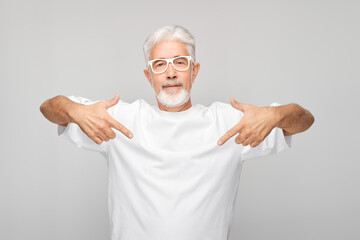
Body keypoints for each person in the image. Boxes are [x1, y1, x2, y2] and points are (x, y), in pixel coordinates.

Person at [40, 25, 314, 240]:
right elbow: (49, 108)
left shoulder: (229, 122)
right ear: (149, 76)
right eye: (159, 65)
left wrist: (277, 114)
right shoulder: (119, 119)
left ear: (194, 71)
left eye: (180, 62)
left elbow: (303, 121)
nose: (170, 73)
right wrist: (74, 110)